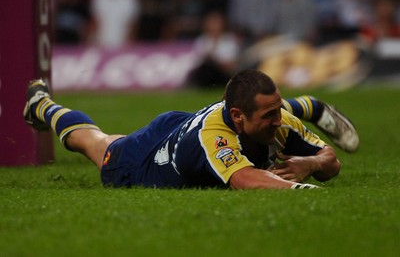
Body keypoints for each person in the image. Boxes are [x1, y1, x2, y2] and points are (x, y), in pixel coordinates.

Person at [23, 70, 358, 189]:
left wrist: (312, 164)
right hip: (144, 157)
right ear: (238, 118)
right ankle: (42, 105)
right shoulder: (215, 136)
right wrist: (304, 190)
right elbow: (244, 180)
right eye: (272, 113)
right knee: (97, 144)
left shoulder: (272, 121)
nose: (278, 121)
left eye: (279, 109)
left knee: (267, 119)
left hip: (184, 121)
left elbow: (332, 163)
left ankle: (307, 106)